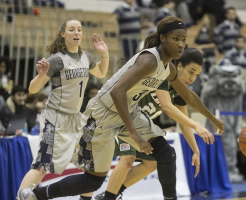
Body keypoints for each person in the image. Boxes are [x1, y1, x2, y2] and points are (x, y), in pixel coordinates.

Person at [24, 16, 224, 200]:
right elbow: (116, 92)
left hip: (128, 110)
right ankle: (37, 195)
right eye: (176, 38)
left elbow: (189, 96)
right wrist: (134, 134)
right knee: (93, 180)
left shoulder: (168, 68)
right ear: (163, 38)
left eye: (184, 39)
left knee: (166, 155)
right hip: (102, 113)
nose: (181, 44)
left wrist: (213, 119)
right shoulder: (148, 60)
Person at [95, 48, 220, 200]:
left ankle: (110, 195)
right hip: (124, 117)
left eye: (197, 75)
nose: (193, 78)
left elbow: (183, 123)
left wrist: (196, 149)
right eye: (191, 72)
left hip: (141, 125)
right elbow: (167, 107)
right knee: (128, 159)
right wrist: (197, 125)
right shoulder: (164, 74)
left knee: (151, 164)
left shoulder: (181, 90)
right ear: (179, 66)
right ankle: (109, 196)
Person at [17, 17, 110, 200]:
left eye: (79, 29)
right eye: (72, 29)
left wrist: (105, 54)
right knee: (43, 165)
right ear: (63, 34)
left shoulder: (85, 57)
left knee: (89, 164)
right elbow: (32, 89)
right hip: (55, 118)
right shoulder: (57, 60)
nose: (76, 33)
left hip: (76, 118)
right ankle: (21, 197)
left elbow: (100, 72)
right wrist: (41, 75)